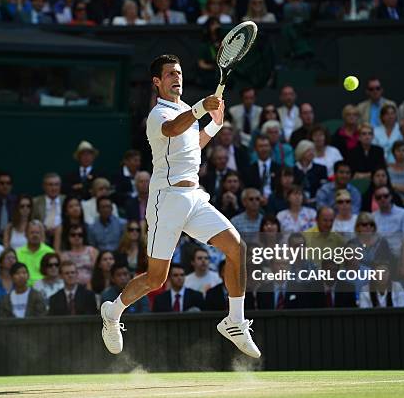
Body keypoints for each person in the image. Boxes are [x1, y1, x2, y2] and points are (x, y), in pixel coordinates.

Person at [100, 54, 260, 358]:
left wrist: (214, 126)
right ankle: (112, 312)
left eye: (180, 73)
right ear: (157, 82)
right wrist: (202, 107)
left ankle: (235, 321)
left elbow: (192, 143)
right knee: (155, 278)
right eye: (171, 74)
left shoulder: (187, 110)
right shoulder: (157, 115)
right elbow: (173, 130)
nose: (177, 78)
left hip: (195, 198)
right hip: (166, 201)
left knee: (237, 248)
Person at [372, 185, 404, 255]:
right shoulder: (372, 216)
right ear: (376, 200)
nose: (382, 199)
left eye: (385, 196)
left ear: (391, 196)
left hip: (398, 255)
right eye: (379, 197)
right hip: (378, 256)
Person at [16, 220, 55, 286]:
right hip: (23, 287)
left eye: (37, 233)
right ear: (26, 234)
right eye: (32, 232)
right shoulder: (17, 253)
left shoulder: (49, 252)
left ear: (41, 235)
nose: (35, 235)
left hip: (44, 287)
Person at [244, 134, 282, 201]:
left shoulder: (279, 168)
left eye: (266, 146)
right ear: (255, 149)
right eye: (261, 146)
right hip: (255, 201)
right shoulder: (249, 170)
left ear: (270, 147)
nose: (264, 149)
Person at [293, 139, 328, 204]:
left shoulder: (321, 169)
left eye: (313, 150)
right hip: (297, 202)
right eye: (308, 151)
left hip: (317, 202)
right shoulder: (292, 170)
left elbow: (324, 188)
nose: (312, 153)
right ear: (301, 151)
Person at [32, 172, 65, 241]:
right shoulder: (35, 202)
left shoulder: (66, 200)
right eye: (50, 185)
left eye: (56, 185)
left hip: (63, 238)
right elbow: (32, 221)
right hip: (41, 237)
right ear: (44, 186)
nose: (54, 188)